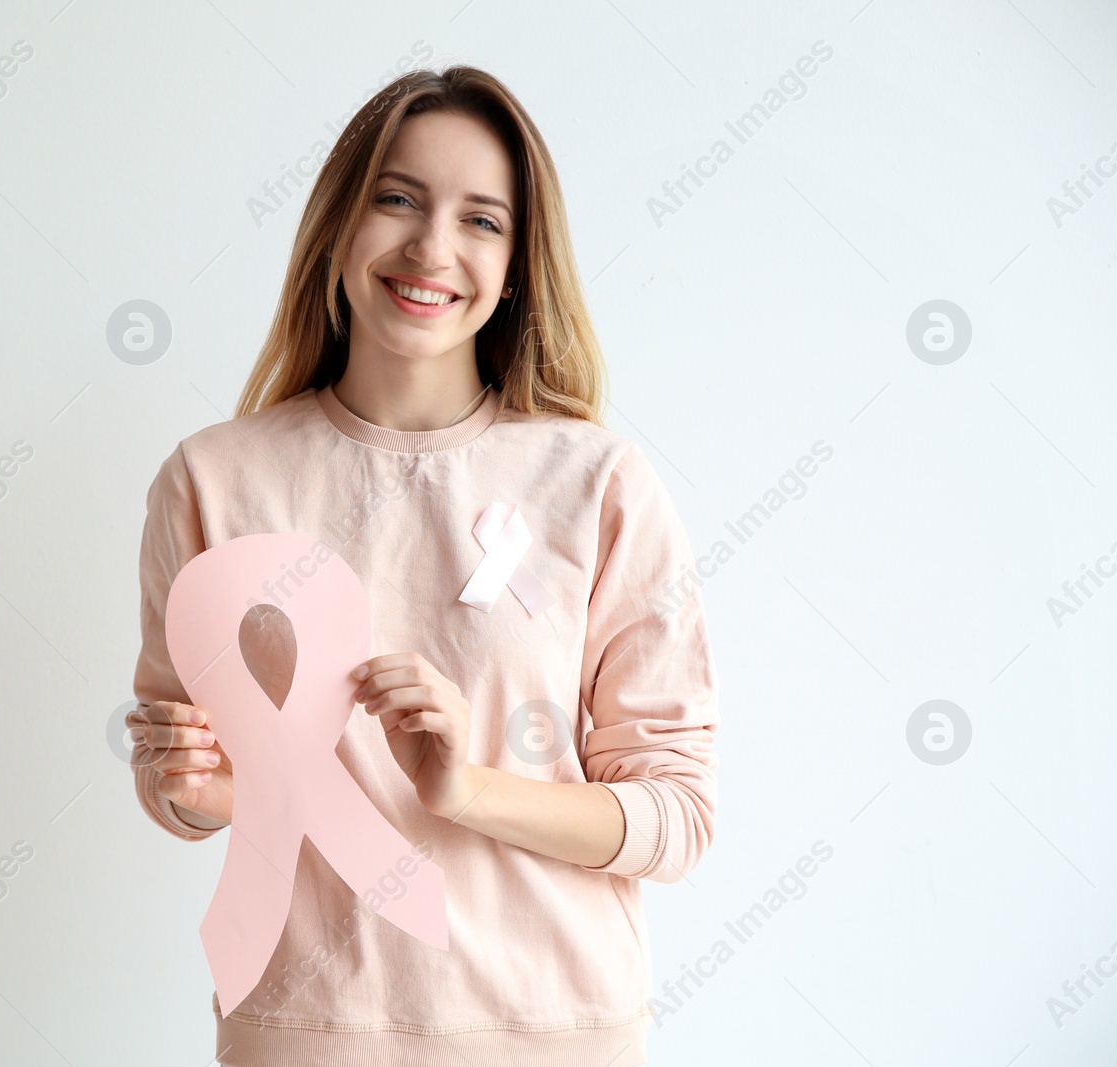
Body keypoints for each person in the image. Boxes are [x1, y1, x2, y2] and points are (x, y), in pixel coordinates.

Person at [127, 64, 719, 1067]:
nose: (431, 247)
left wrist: (466, 788)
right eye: (396, 198)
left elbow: (677, 815)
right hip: (302, 1032)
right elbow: (196, 791)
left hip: (553, 1033)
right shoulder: (211, 478)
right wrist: (181, 782)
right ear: (336, 224)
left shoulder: (599, 483)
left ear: (519, 260)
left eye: (481, 219)